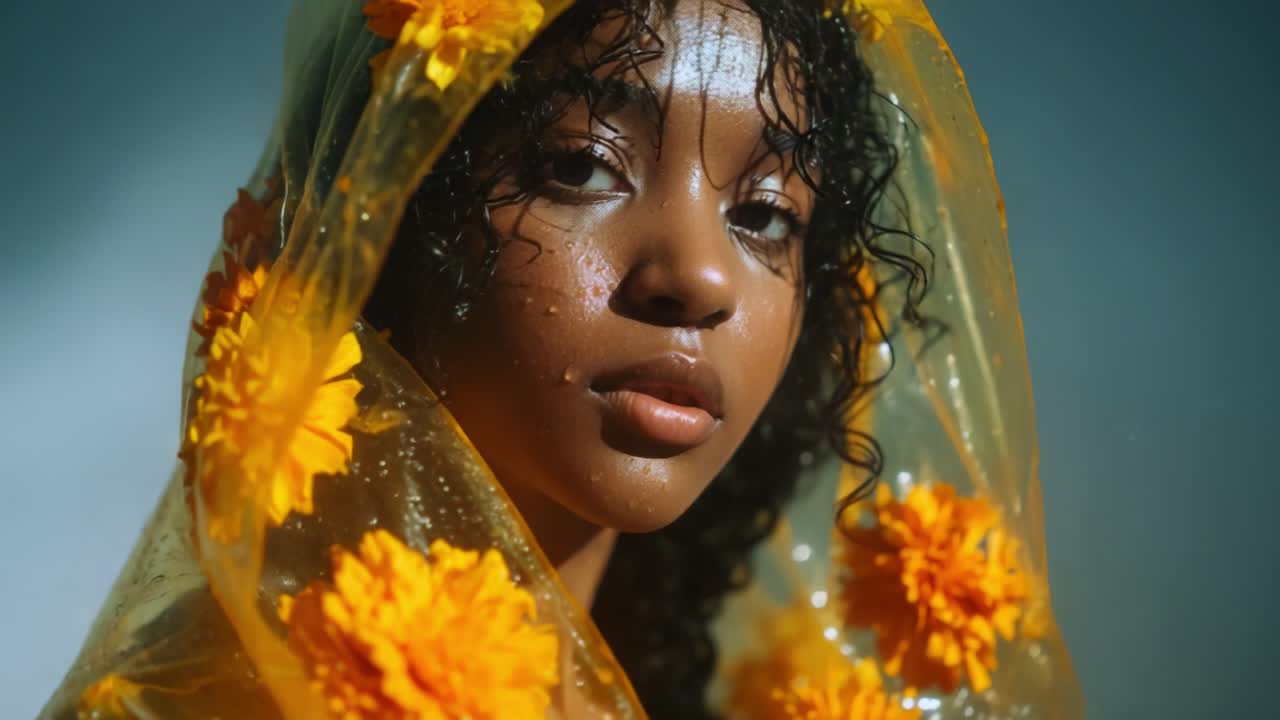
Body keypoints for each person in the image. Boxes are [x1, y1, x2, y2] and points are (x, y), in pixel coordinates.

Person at [42, 1, 1082, 718]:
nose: (700, 279)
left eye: (765, 215)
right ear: (398, 213)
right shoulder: (209, 699)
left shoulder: (710, 690)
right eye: (582, 165)